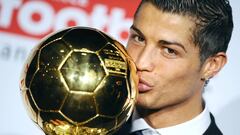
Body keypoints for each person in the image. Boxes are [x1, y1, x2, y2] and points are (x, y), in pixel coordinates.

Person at [115, 0, 233, 135]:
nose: (141, 63)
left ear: (212, 66)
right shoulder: (91, 123)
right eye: (139, 38)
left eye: (169, 51)